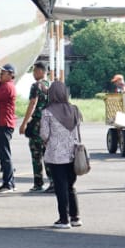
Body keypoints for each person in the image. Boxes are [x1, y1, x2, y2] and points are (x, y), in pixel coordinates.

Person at [39, 80, 85, 227]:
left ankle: (63, 219)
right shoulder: (75, 109)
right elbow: (78, 132)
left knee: (60, 187)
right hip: (73, 154)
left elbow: (44, 134)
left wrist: (47, 142)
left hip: (56, 155)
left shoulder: (47, 112)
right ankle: (75, 217)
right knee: (70, 186)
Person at [18, 61, 52, 193]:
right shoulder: (50, 85)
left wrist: (24, 123)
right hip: (49, 123)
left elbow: (33, 103)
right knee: (48, 153)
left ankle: (38, 182)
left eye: (35, 70)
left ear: (42, 71)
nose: (33, 73)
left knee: (36, 153)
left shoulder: (36, 86)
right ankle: (53, 181)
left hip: (38, 123)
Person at [0, 63, 20, 193]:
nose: (1, 74)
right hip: (0, 124)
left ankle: (8, 184)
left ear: (11, 75)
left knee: (4, 155)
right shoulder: (4, 85)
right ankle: (9, 182)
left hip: (3, 124)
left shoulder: (7, 87)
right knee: (3, 154)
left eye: (3, 72)